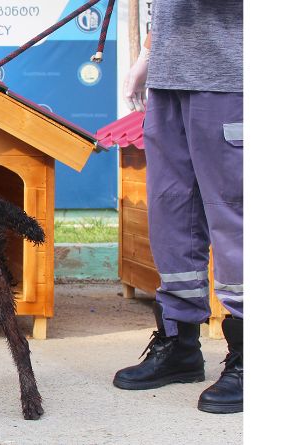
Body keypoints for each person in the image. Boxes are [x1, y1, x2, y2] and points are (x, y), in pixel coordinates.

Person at [114, 0, 243, 414]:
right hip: (169, 80)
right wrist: (149, 53)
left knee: (234, 218)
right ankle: (180, 344)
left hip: (232, 76)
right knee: (172, 216)